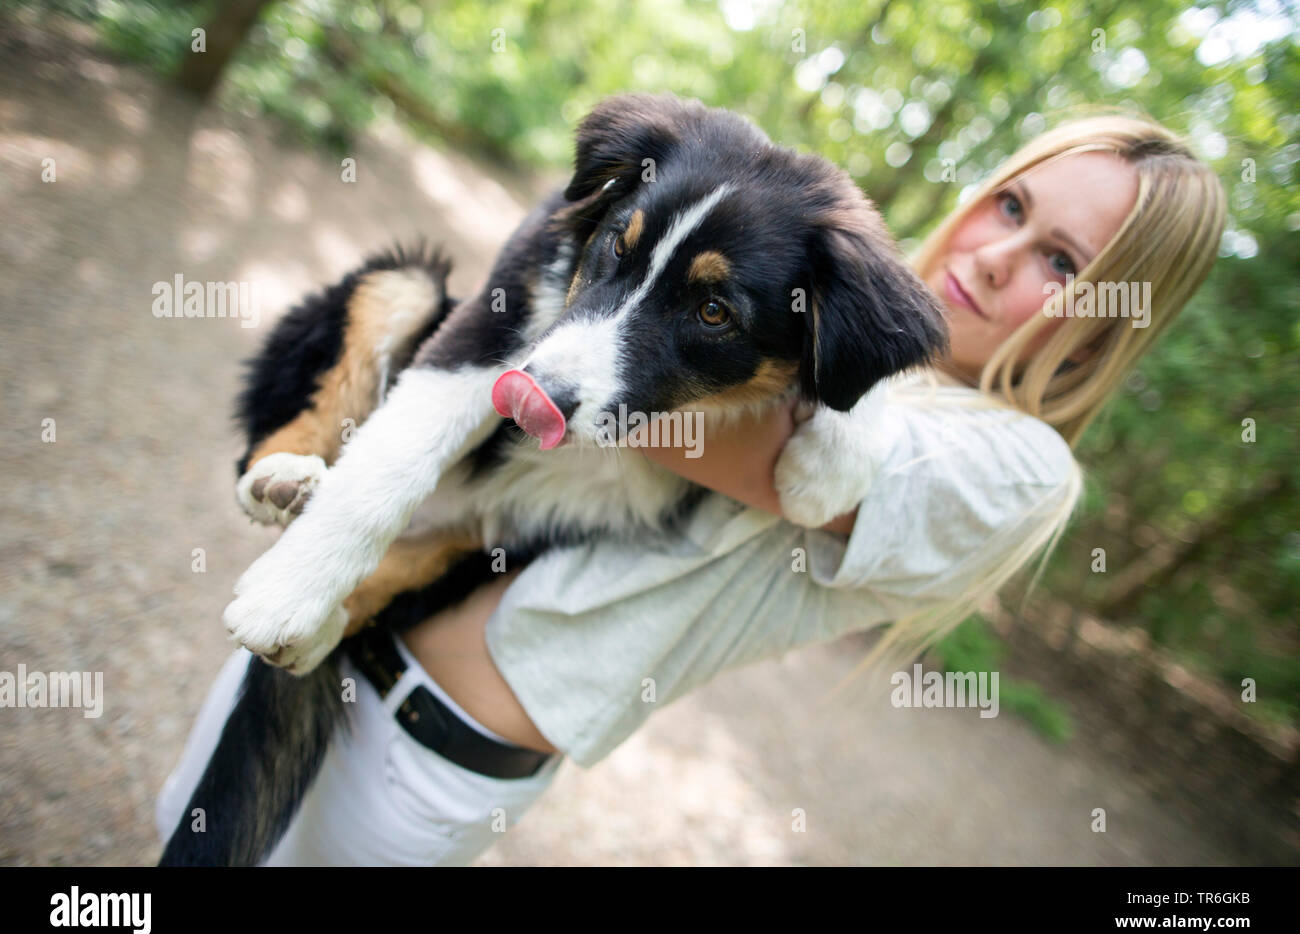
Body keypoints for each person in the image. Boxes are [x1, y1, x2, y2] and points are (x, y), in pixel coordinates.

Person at [155, 112, 1226, 865]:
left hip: (428, 752)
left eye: (1063, 263)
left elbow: (710, 424)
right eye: (1010, 203)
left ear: (1110, 319)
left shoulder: (1012, 463)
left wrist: (597, 280)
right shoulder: (808, 283)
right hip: (339, 611)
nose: (998, 255)